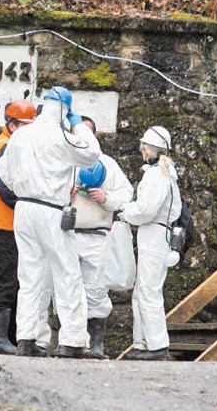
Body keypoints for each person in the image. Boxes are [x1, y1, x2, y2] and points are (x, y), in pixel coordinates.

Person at [0, 86, 101, 358]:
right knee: (67, 273)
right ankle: (73, 339)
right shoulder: (61, 136)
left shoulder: (20, 134)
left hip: (24, 207)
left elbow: (3, 170)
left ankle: (26, 337)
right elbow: (91, 153)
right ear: (65, 109)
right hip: (51, 209)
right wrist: (80, 127)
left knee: (30, 275)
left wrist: (24, 187)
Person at [0, 99, 36, 355]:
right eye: (23, 125)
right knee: (3, 281)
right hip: (1, 223)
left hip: (1, 223)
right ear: (11, 124)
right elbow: (3, 187)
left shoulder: (7, 144)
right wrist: (25, 206)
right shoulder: (6, 147)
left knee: (5, 280)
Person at [71, 116, 133, 359]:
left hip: (97, 235)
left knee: (96, 289)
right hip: (67, 233)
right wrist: (67, 191)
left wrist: (106, 198)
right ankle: (73, 341)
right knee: (68, 289)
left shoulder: (108, 163)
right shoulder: (65, 161)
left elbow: (126, 194)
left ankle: (96, 345)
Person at [119, 126, 181, 361]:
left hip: (154, 235)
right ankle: (143, 342)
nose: (140, 150)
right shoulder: (161, 174)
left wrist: (126, 211)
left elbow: (146, 210)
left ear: (151, 149)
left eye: (143, 146)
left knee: (149, 290)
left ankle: (156, 345)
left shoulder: (157, 176)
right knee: (143, 290)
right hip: (153, 234)